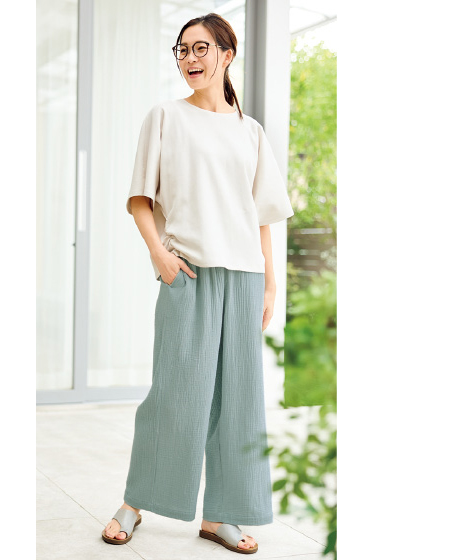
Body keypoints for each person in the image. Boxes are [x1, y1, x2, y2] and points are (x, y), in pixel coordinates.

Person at [102, 12, 294, 555]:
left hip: (244, 278)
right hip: (188, 273)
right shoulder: (166, 116)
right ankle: (134, 502)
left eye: (201, 48)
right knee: (175, 396)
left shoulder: (250, 131)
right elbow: (140, 198)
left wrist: (270, 284)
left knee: (239, 404)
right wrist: (159, 254)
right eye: (182, 50)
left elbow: (262, 216)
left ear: (227, 55)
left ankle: (221, 515)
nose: (190, 59)